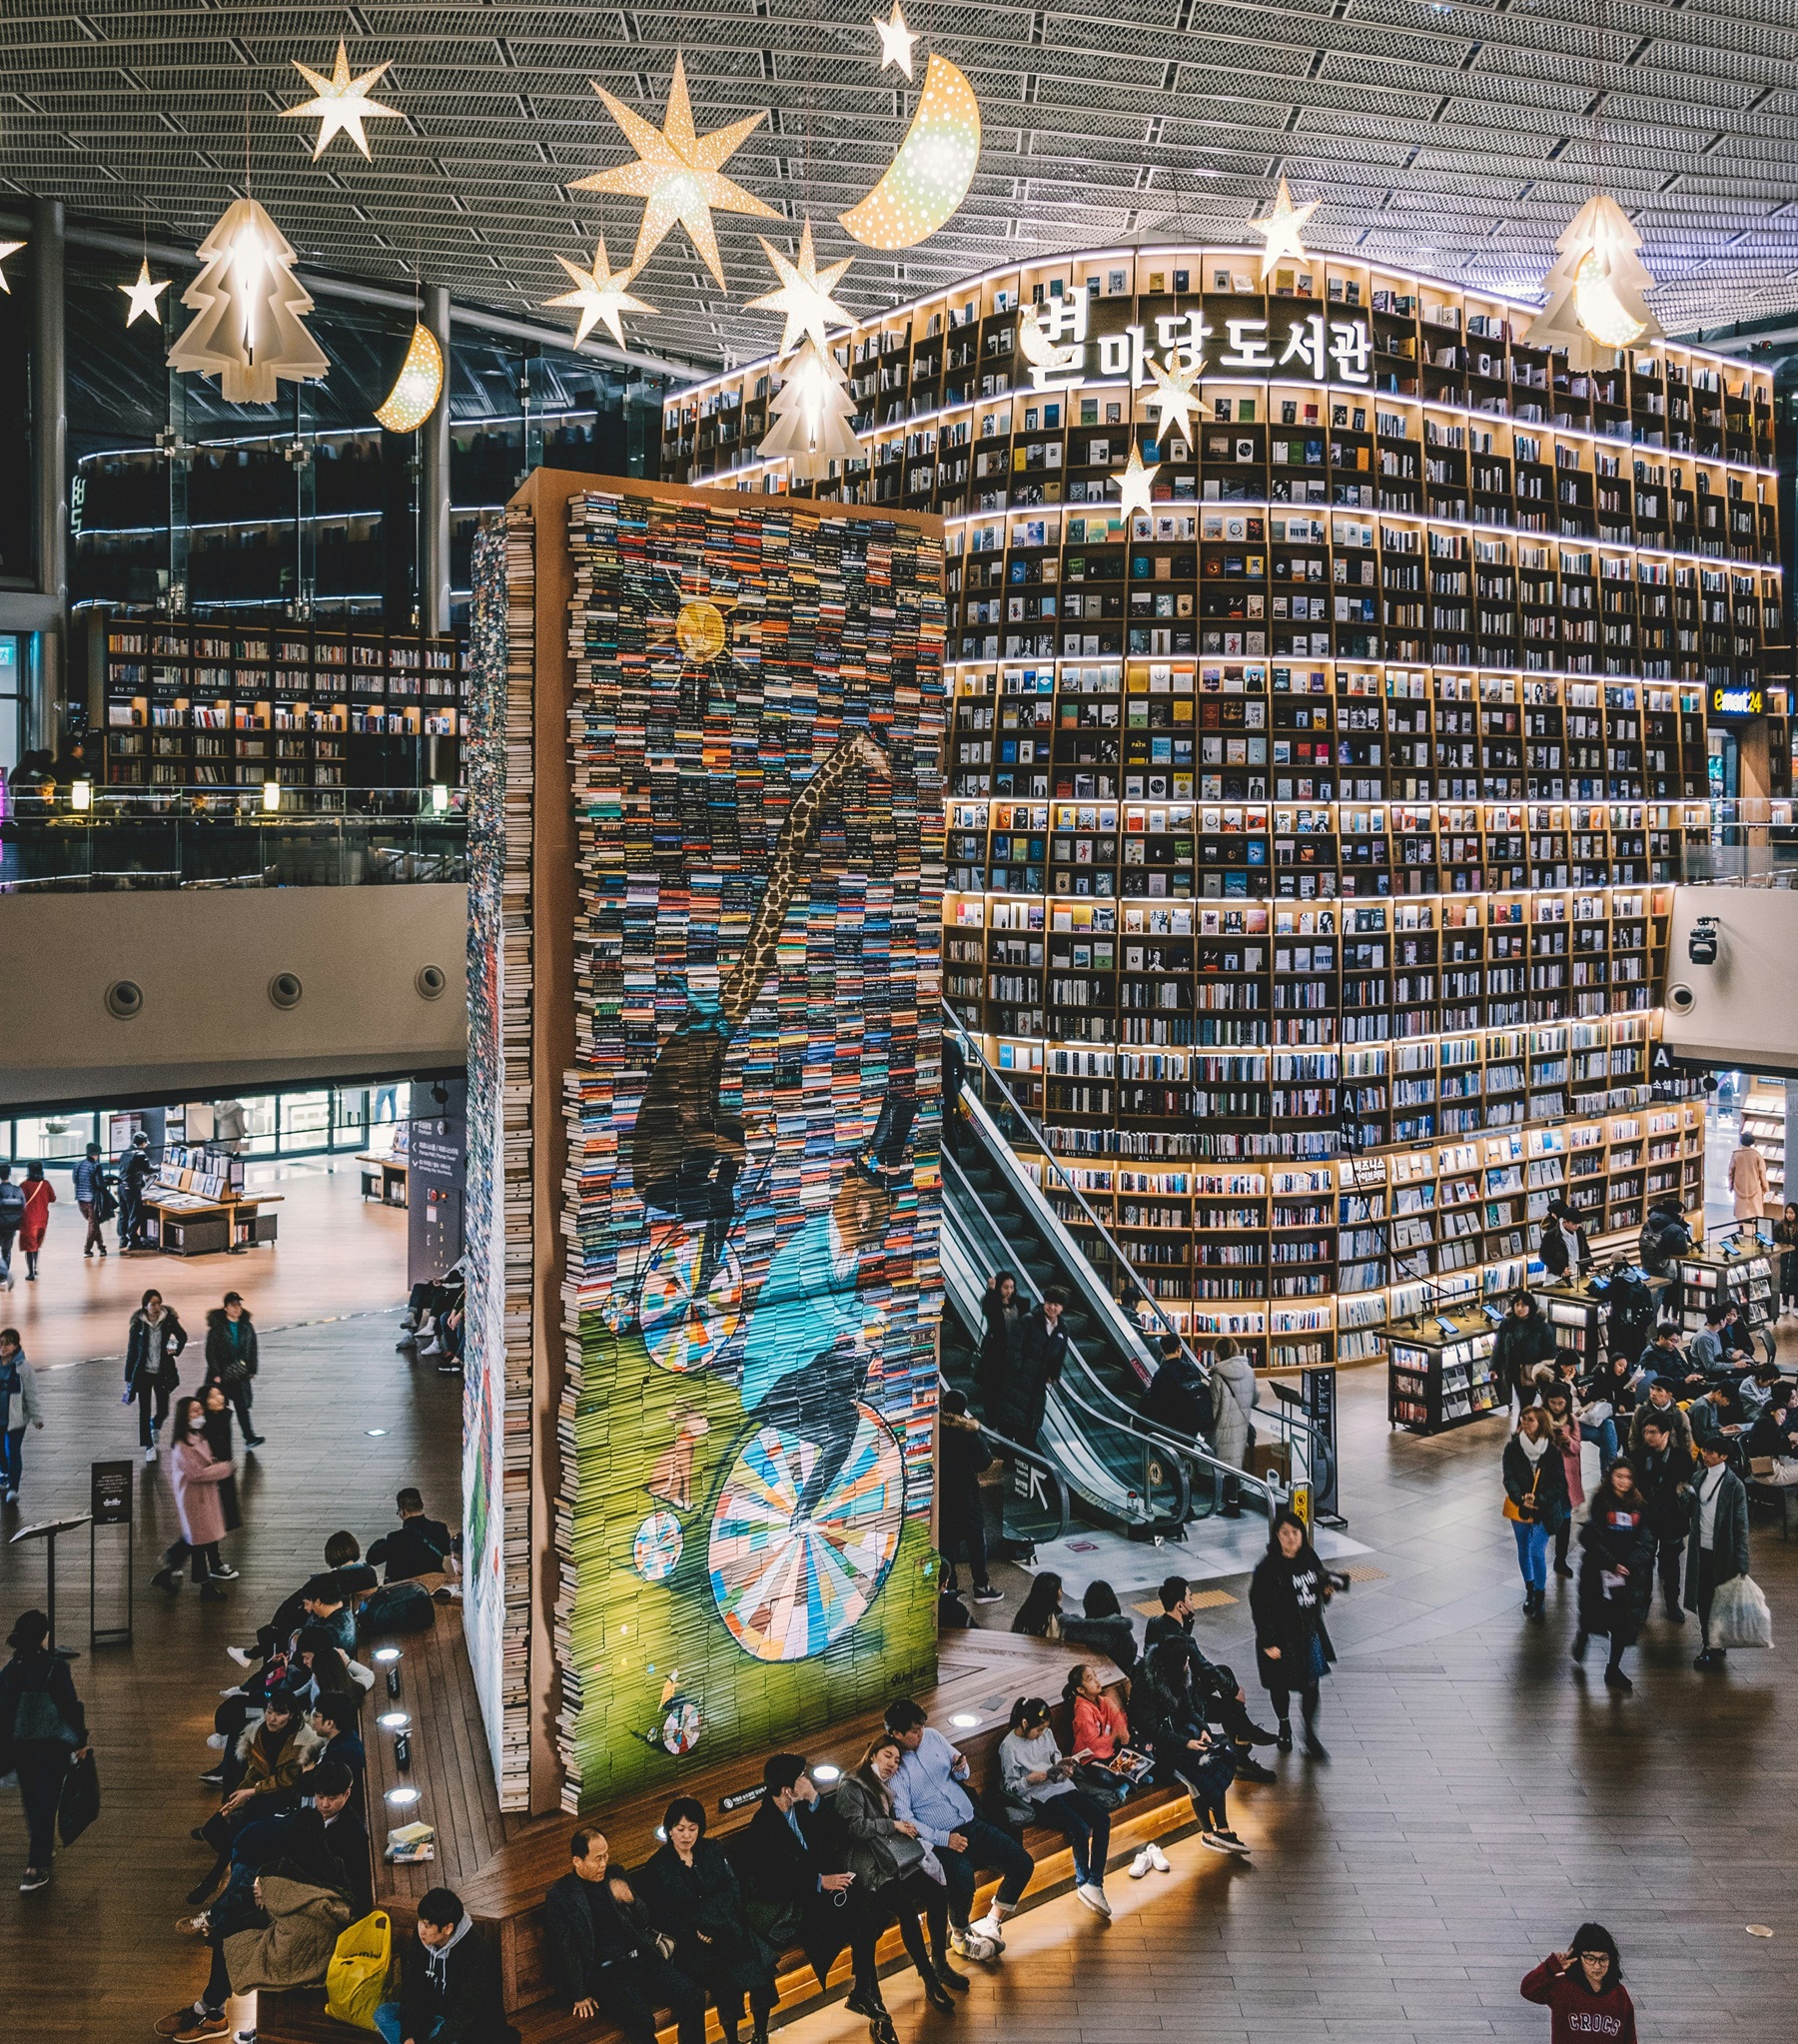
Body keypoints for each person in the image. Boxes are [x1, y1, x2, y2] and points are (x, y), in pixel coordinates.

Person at [726, 1754, 874, 2031]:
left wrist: (816, 1799)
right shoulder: (763, 1828)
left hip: (822, 1893)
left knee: (865, 1914)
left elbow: (838, 1835)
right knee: (856, 1921)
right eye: (802, 1778)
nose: (807, 1781)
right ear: (786, 1790)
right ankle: (865, 1994)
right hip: (797, 1906)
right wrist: (819, 1882)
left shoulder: (804, 1808)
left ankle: (865, 1992)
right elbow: (774, 1882)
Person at [887, 1696, 1034, 1957]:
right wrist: (946, 1839)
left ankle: (992, 1921)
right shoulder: (895, 1767)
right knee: (962, 1881)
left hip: (970, 1820)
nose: (921, 1734)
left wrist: (961, 1768)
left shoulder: (932, 1736)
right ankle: (960, 1935)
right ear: (896, 1734)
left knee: (1022, 1863)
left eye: (922, 1728)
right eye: (914, 1731)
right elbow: (906, 1819)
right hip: (940, 1839)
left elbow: (960, 1773)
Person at [546, 1828, 708, 2044]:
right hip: (607, 1975)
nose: (603, 1864)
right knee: (642, 2021)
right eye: (597, 1859)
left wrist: (631, 1900)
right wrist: (579, 1993)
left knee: (694, 1997)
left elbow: (643, 1921)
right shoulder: (562, 1895)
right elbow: (565, 1947)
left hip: (640, 1959)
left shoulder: (616, 1874)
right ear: (577, 1861)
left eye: (606, 1856)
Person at [638, 1798, 778, 2044]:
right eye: (680, 1829)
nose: (686, 1836)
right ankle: (732, 2040)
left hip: (727, 1928)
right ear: (669, 1830)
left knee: (761, 1964)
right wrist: (694, 1932)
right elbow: (661, 1915)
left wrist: (725, 1919)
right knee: (724, 1977)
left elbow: (732, 1886)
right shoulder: (658, 1867)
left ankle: (760, 2034)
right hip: (691, 1944)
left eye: (692, 1829)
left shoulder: (711, 1849)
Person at [836, 1732, 961, 2003]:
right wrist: (893, 1825)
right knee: (905, 1909)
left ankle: (939, 1961)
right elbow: (855, 1829)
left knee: (937, 1893)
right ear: (872, 1755)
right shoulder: (851, 1786)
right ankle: (929, 1978)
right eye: (887, 1756)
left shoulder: (884, 1784)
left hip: (893, 1857)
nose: (893, 1763)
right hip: (871, 1865)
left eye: (896, 1759)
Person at [1144, 1573, 1278, 1781]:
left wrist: (1186, 1625)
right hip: (1183, 1701)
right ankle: (1242, 1756)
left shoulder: (1154, 1624)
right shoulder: (1182, 1639)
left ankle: (1244, 1732)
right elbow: (1204, 1668)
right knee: (1230, 1708)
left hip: (1169, 1691)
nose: (1193, 1600)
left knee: (1224, 1671)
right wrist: (1234, 1691)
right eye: (1190, 1597)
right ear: (1180, 1606)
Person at [997, 1698, 1114, 1916]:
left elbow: (1055, 1757)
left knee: (1102, 1820)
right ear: (1024, 1723)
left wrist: (1064, 1766)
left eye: (1044, 1729)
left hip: (1061, 1785)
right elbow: (1010, 1788)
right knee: (1079, 1827)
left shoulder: (1046, 1734)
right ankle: (1083, 1882)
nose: (1042, 1734)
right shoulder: (1009, 1746)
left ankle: (1095, 1882)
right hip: (1039, 1798)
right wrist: (1030, 1780)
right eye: (1038, 1729)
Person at [0, 1607, 89, 1893]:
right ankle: (36, 1866)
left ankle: (40, 1854)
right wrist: (80, 1741)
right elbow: (70, 1707)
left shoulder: (10, 1672)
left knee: (32, 1800)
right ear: (44, 1637)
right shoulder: (56, 1668)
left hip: (21, 1747)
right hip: (53, 1745)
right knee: (47, 1800)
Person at [1129, 1636, 1245, 1855]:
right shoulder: (1146, 1686)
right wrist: (1187, 1743)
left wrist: (1203, 1729)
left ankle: (1220, 1830)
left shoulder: (1179, 1676)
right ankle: (1212, 1833)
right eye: (1186, 1659)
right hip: (1158, 1750)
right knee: (1198, 1775)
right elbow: (1152, 1730)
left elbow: (1189, 1710)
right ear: (1176, 1663)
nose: (1188, 1663)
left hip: (1181, 1738)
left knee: (1216, 1758)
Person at [376, 1885, 519, 2044]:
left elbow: (466, 2010)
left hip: (464, 2025)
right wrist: (410, 2034)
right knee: (383, 2014)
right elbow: (413, 1988)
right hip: (431, 2013)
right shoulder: (422, 1937)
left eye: (428, 1925)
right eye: (421, 1921)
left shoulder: (476, 1950)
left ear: (448, 1928)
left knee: (446, 2036)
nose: (421, 1930)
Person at [1250, 1509, 1338, 1758]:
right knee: (1280, 1684)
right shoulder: (1268, 1568)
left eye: (1295, 1532)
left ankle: (1309, 1734)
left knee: (1311, 1685)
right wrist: (1268, 1641)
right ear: (1276, 1536)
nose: (1290, 1538)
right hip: (1281, 1638)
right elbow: (1259, 1605)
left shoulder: (1310, 1558)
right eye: (1284, 1533)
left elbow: (1318, 1592)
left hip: (1309, 1635)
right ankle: (1284, 1724)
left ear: (1303, 1534)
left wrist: (1326, 1593)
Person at [1571, 1461, 1655, 1691]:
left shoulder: (1640, 1505)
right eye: (1619, 1476)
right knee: (1591, 1610)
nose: (1623, 1481)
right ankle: (1583, 1635)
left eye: (1628, 1477)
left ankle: (1613, 1668)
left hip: (1627, 1574)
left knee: (1622, 1622)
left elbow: (1646, 1539)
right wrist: (1610, 1562)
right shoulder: (1600, 1502)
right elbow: (1591, 1535)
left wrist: (1628, 1563)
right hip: (1598, 1571)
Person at [155, 1395, 234, 1598]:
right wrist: (224, 1468)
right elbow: (196, 1474)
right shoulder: (183, 1445)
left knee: (198, 1541)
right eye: (194, 1411)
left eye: (200, 1409)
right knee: (200, 1543)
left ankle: (170, 1570)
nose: (199, 1414)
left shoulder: (197, 1437)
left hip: (202, 1499)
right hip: (196, 1501)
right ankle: (204, 1587)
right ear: (184, 1415)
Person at [1688, 1438, 1750, 1671]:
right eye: (1704, 1450)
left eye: (1710, 1452)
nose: (1705, 1454)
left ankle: (1716, 1642)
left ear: (1723, 1456)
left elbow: (1741, 1526)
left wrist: (1743, 1562)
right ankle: (1709, 1643)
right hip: (1700, 1549)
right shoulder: (1698, 1478)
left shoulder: (1734, 1486)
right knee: (1703, 1599)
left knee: (1720, 1600)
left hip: (1724, 1552)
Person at [1503, 1406, 1570, 1618]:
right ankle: (1530, 1589)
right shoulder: (1513, 1448)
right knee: (1523, 1548)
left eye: (1530, 1419)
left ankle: (1540, 1594)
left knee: (1536, 1551)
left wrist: (1539, 1499)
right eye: (1523, 1419)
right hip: (1520, 1507)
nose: (1526, 1422)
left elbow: (1559, 1484)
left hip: (1545, 1510)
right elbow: (1509, 1477)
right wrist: (1520, 1497)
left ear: (1541, 1422)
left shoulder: (1552, 1452)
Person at [1519, 1926, 1636, 2044]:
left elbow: (1630, 2039)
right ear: (1579, 1957)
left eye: (1603, 1959)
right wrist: (1550, 1967)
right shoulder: (1563, 1988)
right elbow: (1527, 1989)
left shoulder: (1620, 1995)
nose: (1597, 1966)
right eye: (1590, 1959)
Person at [936, 1389, 1000, 1602]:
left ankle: (948, 1585)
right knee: (976, 1541)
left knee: (947, 1543)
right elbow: (984, 1462)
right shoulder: (969, 1431)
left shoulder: (937, 1429)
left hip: (943, 1493)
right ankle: (981, 1587)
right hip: (966, 1494)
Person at [996, 1286, 1069, 1448]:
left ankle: (1024, 1461)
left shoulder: (1062, 1328)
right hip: (1019, 1380)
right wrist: (1018, 1370)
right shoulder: (1029, 1320)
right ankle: (1009, 1459)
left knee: (1031, 1423)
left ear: (1062, 1308)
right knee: (1012, 1420)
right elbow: (1014, 1348)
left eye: (1057, 1305)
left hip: (1039, 1382)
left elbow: (1060, 1354)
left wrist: (1054, 1374)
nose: (1052, 1307)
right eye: (1049, 1303)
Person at [126, 1287, 189, 1462]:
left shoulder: (168, 1321)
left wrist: (175, 1349)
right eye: (152, 1303)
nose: (156, 1306)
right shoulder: (138, 1325)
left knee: (163, 1409)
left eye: (158, 1303)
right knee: (144, 1410)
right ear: (145, 1305)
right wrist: (128, 1376)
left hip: (162, 1372)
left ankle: (156, 1425)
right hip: (143, 1374)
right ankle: (148, 1446)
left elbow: (182, 1336)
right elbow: (131, 1352)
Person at [204, 1292, 265, 1450]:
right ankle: (215, 1440)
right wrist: (216, 1373)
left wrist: (252, 1368)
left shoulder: (246, 1326)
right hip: (221, 1376)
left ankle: (249, 1437)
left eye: (239, 1305)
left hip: (239, 1374)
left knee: (242, 1407)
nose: (237, 1308)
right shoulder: (217, 1328)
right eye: (233, 1305)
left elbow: (253, 1348)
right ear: (226, 1308)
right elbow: (211, 1352)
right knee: (218, 1409)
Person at [1537, 1386, 1585, 1578]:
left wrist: (1566, 1440)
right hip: (1547, 1478)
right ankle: (1539, 1558)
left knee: (1565, 1521)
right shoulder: (1540, 1420)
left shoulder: (1572, 1421)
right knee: (1543, 1520)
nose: (1557, 1407)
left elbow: (1577, 1447)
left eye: (1561, 1403)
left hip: (1566, 1479)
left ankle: (1560, 1559)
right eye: (1553, 1403)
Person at [1207, 1336, 1258, 1517]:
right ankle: (1235, 1499)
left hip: (1224, 1425)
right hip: (1242, 1423)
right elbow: (1256, 1397)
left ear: (1219, 1354)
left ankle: (1232, 1503)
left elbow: (1213, 1407)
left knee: (1227, 1465)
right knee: (1236, 1462)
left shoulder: (1217, 1377)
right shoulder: (1249, 1371)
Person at [368, 1488, 455, 1580]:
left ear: (402, 1511)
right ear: (421, 1505)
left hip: (404, 1590)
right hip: (434, 1585)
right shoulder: (439, 1528)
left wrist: (382, 1541)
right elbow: (447, 1550)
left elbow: (371, 1558)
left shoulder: (396, 1538)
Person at [0, 1327, 44, 1507]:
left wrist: (37, 1417)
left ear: (16, 1345)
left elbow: (31, 1394)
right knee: (1, 1451)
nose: (3, 1348)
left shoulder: (23, 1368)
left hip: (16, 1419)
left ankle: (13, 1488)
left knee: (13, 1452)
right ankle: (4, 1475)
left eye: (7, 1344)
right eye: (1, 1343)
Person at [1493, 1292, 1557, 1413]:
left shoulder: (1541, 1327)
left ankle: (1519, 1428)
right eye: (1517, 1305)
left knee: (1526, 1402)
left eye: (1523, 1305)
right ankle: (1522, 1427)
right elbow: (1498, 1346)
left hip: (1531, 1371)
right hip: (1512, 1369)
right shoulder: (1507, 1323)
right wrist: (1493, 1367)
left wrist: (1543, 1368)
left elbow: (1550, 1350)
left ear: (1530, 1306)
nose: (1519, 1309)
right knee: (1522, 1400)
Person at [1060, 1578, 1138, 1675]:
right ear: (1112, 1602)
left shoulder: (1075, 1630)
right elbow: (1130, 1657)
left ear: (1087, 1603)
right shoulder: (1120, 1630)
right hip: (1117, 1679)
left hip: (1086, 1680)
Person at [1143, 1333, 1213, 1437]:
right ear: (1179, 1348)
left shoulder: (1160, 1374)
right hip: (1190, 1421)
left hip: (1170, 1424)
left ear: (1162, 1349)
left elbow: (1156, 1402)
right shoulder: (1191, 1369)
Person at [978, 1270, 1024, 1422]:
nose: (1009, 1291)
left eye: (1011, 1287)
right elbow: (987, 1310)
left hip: (1013, 1354)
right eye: (1005, 1287)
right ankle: (992, 1421)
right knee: (992, 1390)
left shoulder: (1021, 1303)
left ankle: (1005, 1422)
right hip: (995, 1354)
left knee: (1008, 1392)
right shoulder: (992, 1301)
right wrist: (991, 1290)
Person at [1627, 1374, 1694, 1460]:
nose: (1653, 1393)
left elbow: (1686, 1443)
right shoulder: (1641, 1412)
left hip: (1672, 1460)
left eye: (1659, 1390)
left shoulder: (1679, 1415)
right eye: (1652, 1388)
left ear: (1669, 1395)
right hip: (1645, 1458)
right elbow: (1633, 1439)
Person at [310, 1690, 366, 1785]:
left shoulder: (339, 1754)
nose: (312, 1720)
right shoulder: (347, 1736)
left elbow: (309, 1785)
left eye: (316, 1716)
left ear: (329, 1723)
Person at [14, 1162, 53, 1282]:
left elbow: (18, 1200)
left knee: (29, 1247)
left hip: (28, 1219)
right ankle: (35, 1267)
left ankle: (31, 1272)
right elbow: (52, 1198)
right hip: (42, 1219)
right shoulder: (45, 1184)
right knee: (36, 1245)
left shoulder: (24, 1185)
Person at [72, 1141, 109, 1259]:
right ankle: (87, 1249)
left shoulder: (77, 1165)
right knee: (93, 1225)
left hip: (80, 1198)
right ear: (96, 1154)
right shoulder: (96, 1166)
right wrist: (106, 1183)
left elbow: (75, 1180)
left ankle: (102, 1247)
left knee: (94, 1223)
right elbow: (99, 1183)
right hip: (92, 1199)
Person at [119, 1130, 155, 1250]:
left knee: (123, 1214)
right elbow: (148, 1170)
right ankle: (134, 1239)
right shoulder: (139, 1154)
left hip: (122, 1186)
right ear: (143, 1142)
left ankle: (123, 1238)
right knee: (135, 1213)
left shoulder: (125, 1153)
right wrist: (159, 1168)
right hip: (132, 1188)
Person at [1729, 1127, 1769, 1222]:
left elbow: (1730, 1172)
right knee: (1754, 1213)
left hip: (1739, 1188)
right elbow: (1762, 1173)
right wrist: (1765, 1187)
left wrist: (1731, 1186)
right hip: (1754, 1188)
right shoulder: (1756, 1155)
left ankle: (1741, 1229)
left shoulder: (1736, 1154)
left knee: (1742, 1214)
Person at [1010, 1568, 1064, 1640]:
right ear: (1054, 1593)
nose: (1062, 1592)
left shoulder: (1024, 1612)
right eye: (1060, 1589)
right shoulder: (1054, 1618)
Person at [1776, 1202, 1798, 1316]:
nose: (1789, 1215)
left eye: (1792, 1213)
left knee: (1796, 1282)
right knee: (1784, 1281)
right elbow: (1775, 1237)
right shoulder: (1781, 1225)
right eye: (1787, 1213)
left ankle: (1796, 1305)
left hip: (1795, 1260)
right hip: (1784, 1259)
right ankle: (1784, 1303)